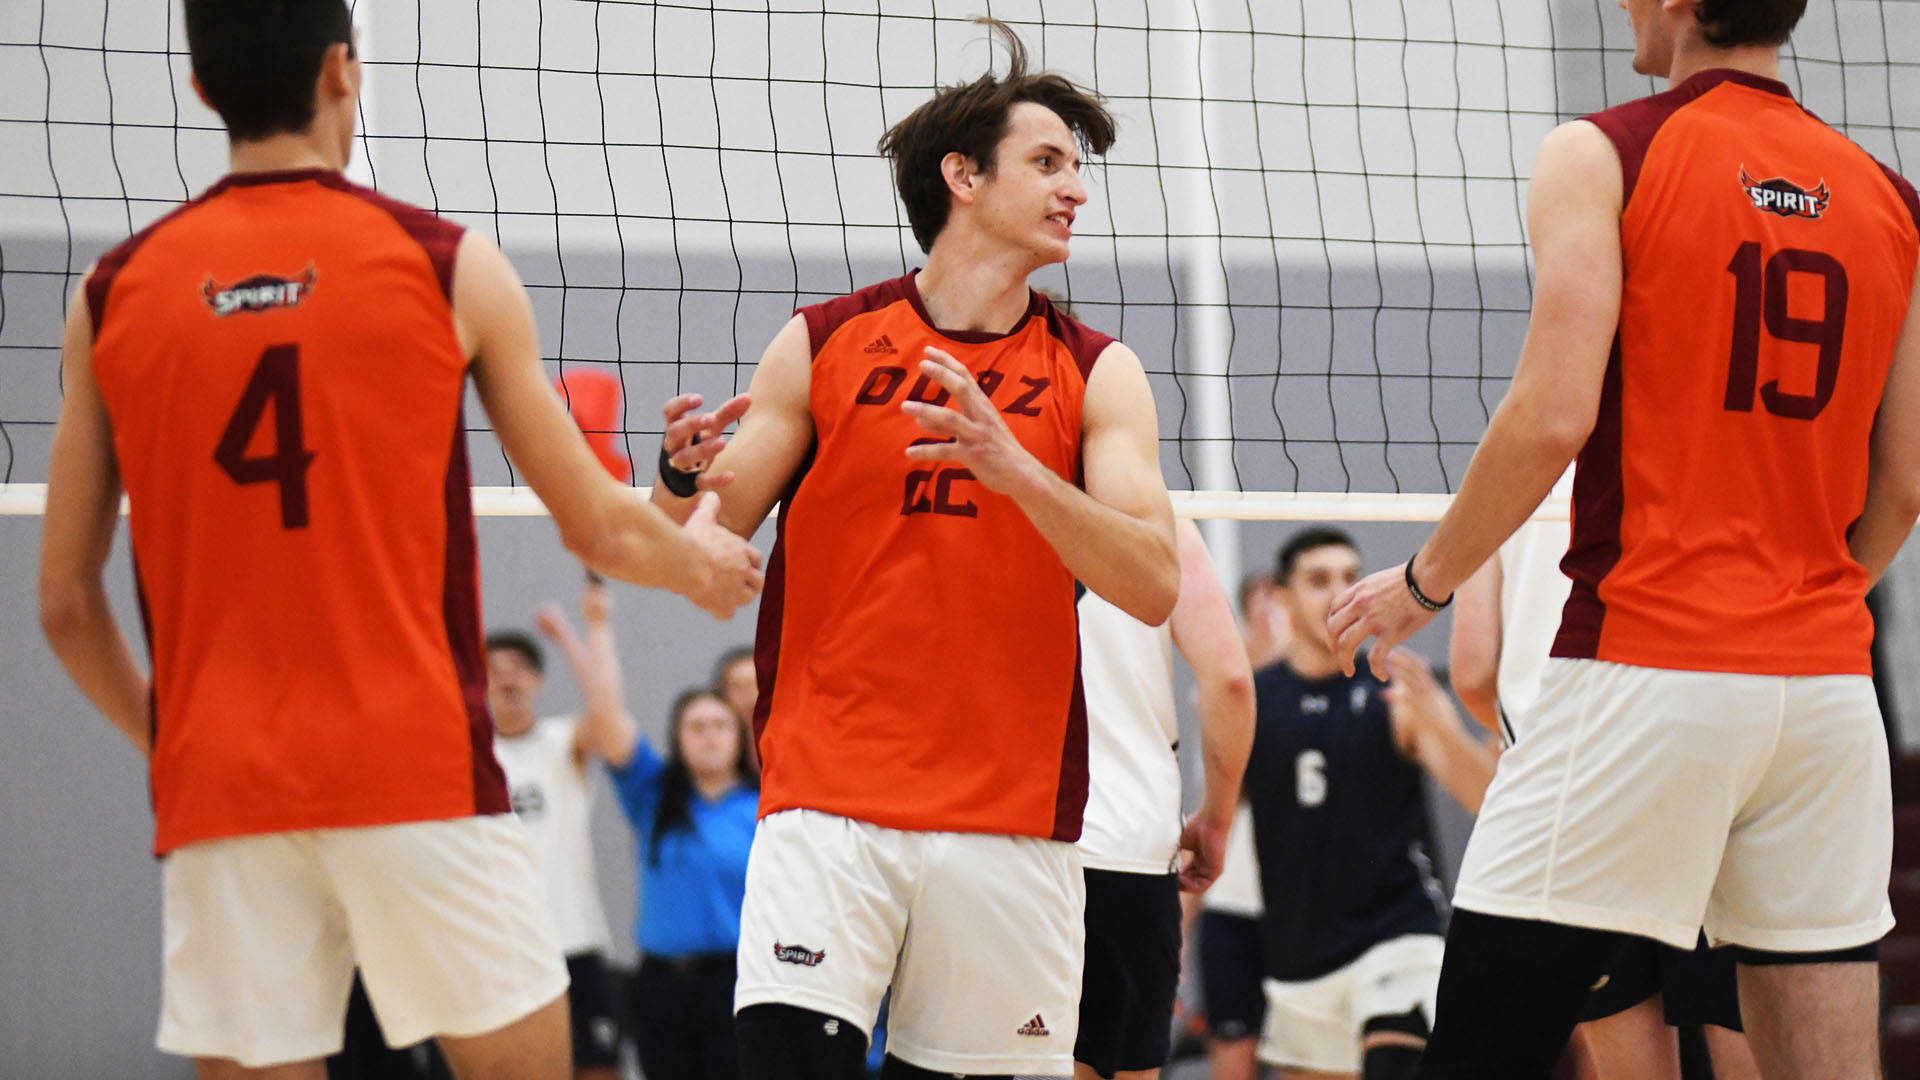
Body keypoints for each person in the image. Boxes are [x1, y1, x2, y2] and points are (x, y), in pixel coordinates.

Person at [34, 3, 762, 1076]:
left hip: (223, 786)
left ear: (199, 91)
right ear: (344, 69)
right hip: (415, 768)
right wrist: (702, 562)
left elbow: (63, 603)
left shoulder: (111, 294)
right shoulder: (442, 262)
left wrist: (176, 741)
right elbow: (596, 522)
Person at [1327, 0, 1920, 1074]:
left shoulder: (1603, 150)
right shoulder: (1891, 198)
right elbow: (1907, 484)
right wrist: (1801, 601)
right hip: (1829, 694)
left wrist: (1425, 583)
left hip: (1649, 662)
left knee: (1479, 1050)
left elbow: (1555, 413)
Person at [648, 17, 1180, 1079]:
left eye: (1078, 169)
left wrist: (1019, 469)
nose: (1075, 188)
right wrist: (672, 482)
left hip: (1012, 816)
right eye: (1047, 163)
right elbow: (697, 555)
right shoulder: (827, 342)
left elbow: (1153, 581)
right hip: (831, 797)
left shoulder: (1096, 372)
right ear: (962, 178)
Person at [1451, 487, 1759, 1080]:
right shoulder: (1697, 436)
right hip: (1697, 751)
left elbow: (1471, 669)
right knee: (1740, 1028)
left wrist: (1540, 738)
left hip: (1573, 786)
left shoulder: (1506, 465)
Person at [1247, 528, 1496, 1080]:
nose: (1339, 593)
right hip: (1300, 959)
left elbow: (1485, 797)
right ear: (1282, 598)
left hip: (1397, 940)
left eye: (1349, 577)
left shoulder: (1396, 691)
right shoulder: (1254, 699)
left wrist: (1440, 724)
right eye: (1318, 581)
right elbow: (1218, 821)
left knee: (1394, 1062)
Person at [1073, 519, 1256, 1080]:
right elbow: (1230, 679)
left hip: (1000, 840)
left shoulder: (966, 496)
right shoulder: (1161, 521)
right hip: (1128, 845)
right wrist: (1216, 817)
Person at [486, 586, 633, 1080]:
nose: (507, 679)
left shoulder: (561, 742)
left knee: (598, 1069)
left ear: (539, 680)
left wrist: (586, 630)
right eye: (494, 670)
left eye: (519, 668)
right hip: (499, 951)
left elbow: (609, 716)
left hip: (575, 945)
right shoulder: (467, 756)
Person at [601, 687, 759, 1080]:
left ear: (739, 737)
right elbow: (608, 720)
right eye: (696, 726)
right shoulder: (653, 796)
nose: (709, 735)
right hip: (660, 984)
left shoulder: (764, 806)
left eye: (721, 725)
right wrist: (595, 629)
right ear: (678, 738)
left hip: (738, 979)